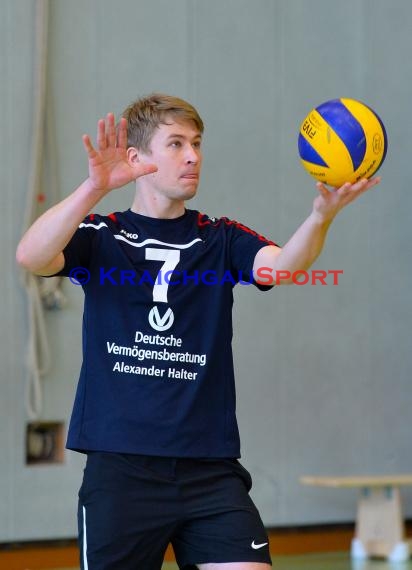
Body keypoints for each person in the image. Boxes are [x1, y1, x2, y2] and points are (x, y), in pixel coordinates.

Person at [16, 93, 380, 570]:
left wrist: (321, 216)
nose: (192, 156)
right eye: (175, 144)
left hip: (209, 469)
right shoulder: (101, 235)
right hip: (123, 470)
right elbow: (31, 256)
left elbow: (281, 268)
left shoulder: (219, 237)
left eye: (197, 143)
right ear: (136, 157)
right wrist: (93, 188)